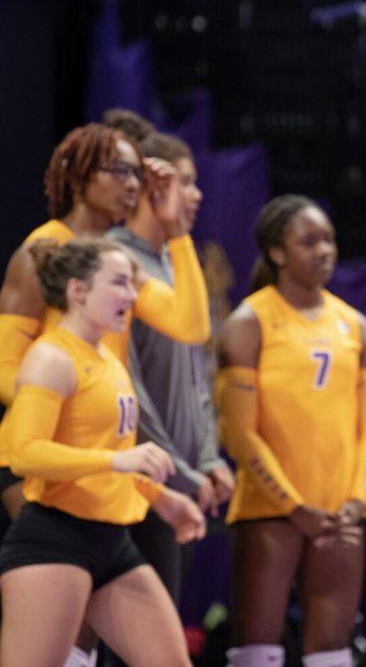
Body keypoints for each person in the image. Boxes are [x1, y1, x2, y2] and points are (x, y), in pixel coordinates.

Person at [0, 237, 205, 667]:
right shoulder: (51, 358)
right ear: (78, 291)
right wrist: (116, 461)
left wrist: (160, 498)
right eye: (119, 283)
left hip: (112, 539)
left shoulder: (108, 358)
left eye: (132, 284)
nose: (132, 296)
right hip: (54, 538)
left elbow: (104, 452)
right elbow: (23, 453)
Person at [0, 124, 210, 519]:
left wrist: (175, 228)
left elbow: (191, 326)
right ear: (79, 176)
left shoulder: (115, 260)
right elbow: (4, 367)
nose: (132, 183)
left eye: (136, 173)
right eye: (118, 170)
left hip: (100, 455)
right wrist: (67, 399)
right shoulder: (41, 249)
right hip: (37, 455)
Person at [217, 194, 366, 667]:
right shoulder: (249, 323)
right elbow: (240, 434)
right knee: (256, 652)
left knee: (332, 653)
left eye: (329, 239)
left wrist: (356, 502)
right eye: (308, 241)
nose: (325, 250)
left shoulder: (356, 327)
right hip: (269, 513)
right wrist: (293, 507)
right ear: (276, 252)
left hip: (338, 514)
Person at [108, 130, 233, 608]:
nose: (196, 194)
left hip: (182, 480)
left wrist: (206, 458)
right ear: (150, 188)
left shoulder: (177, 262)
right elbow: (127, 387)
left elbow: (200, 377)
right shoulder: (118, 263)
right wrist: (176, 472)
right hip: (142, 477)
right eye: (184, 181)